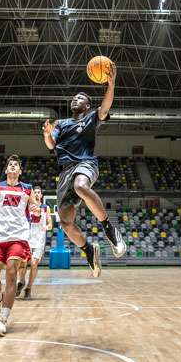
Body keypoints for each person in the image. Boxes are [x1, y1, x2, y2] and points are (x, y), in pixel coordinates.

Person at [41, 68, 125, 277]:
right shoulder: (61, 123)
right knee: (66, 224)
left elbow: (104, 108)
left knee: (81, 186)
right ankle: (88, 250)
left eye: (79, 98)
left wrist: (111, 85)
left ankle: (109, 230)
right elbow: (51, 145)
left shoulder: (90, 118)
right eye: (73, 97)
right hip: (64, 173)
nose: (74, 100)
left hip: (85, 164)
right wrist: (47, 134)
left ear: (87, 106)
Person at [0, 155, 36, 336]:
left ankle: (3, 319)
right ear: (6, 170)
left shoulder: (27, 189)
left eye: (16, 165)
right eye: (10, 165)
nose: (13, 166)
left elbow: (36, 206)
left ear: (20, 171)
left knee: (12, 272)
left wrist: (35, 207)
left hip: (18, 236)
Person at [17, 186, 52, 300]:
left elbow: (50, 224)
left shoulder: (46, 208)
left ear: (41, 195)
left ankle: (28, 288)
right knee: (22, 264)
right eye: (35, 192)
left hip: (39, 241)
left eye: (38, 192)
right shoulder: (27, 207)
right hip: (27, 238)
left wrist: (46, 227)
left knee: (33, 263)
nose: (37, 194)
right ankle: (21, 281)